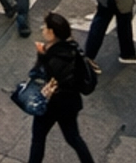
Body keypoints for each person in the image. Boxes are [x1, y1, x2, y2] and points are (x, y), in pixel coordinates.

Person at [27, 11, 97, 163]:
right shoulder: (72, 48)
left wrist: (41, 56)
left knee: (38, 138)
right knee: (73, 137)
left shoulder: (53, 55)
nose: (43, 30)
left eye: (45, 28)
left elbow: (40, 75)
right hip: (69, 103)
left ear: (52, 32)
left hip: (51, 103)